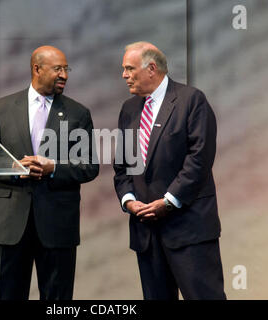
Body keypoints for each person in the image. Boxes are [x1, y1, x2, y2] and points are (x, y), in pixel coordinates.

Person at [0, 45, 99, 300]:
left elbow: (90, 166)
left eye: (66, 69)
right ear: (37, 69)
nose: (65, 75)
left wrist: (53, 168)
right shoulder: (2, 108)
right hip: (12, 226)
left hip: (58, 226)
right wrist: (14, 169)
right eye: (58, 69)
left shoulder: (78, 113)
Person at [113, 41, 226, 300]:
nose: (124, 75)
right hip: (146, 233)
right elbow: (122, 167)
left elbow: (199, 159)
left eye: (129, 69)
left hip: (189, 229)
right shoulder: (129, 109)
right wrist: (129, 200)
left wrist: (169, 201)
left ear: (151, 68)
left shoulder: (191, 100)